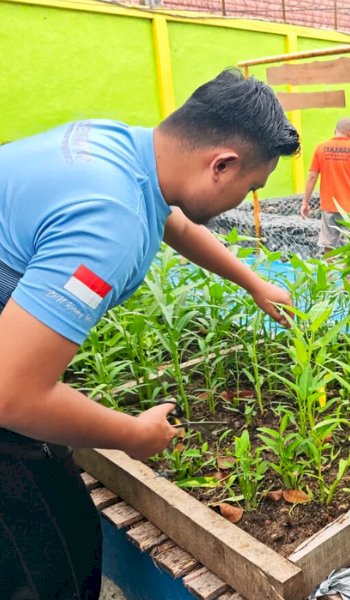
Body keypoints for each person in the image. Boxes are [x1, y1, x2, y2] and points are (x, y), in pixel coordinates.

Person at [0, 69, 299, 599]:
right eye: (250, 187)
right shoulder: (107, 224)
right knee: (52, 565)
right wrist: (131, 435)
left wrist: (252, 281)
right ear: (221, 164)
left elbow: (172, 220)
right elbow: (11, 394)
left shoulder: (121, 147)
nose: (246, 199)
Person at [300, 118, 350, 252]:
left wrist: (305, 202)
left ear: (335, 132)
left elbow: (312, 176)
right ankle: (348, 272)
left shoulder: (321, 148)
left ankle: (330, 273)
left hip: (329, 205)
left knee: (328, 245)